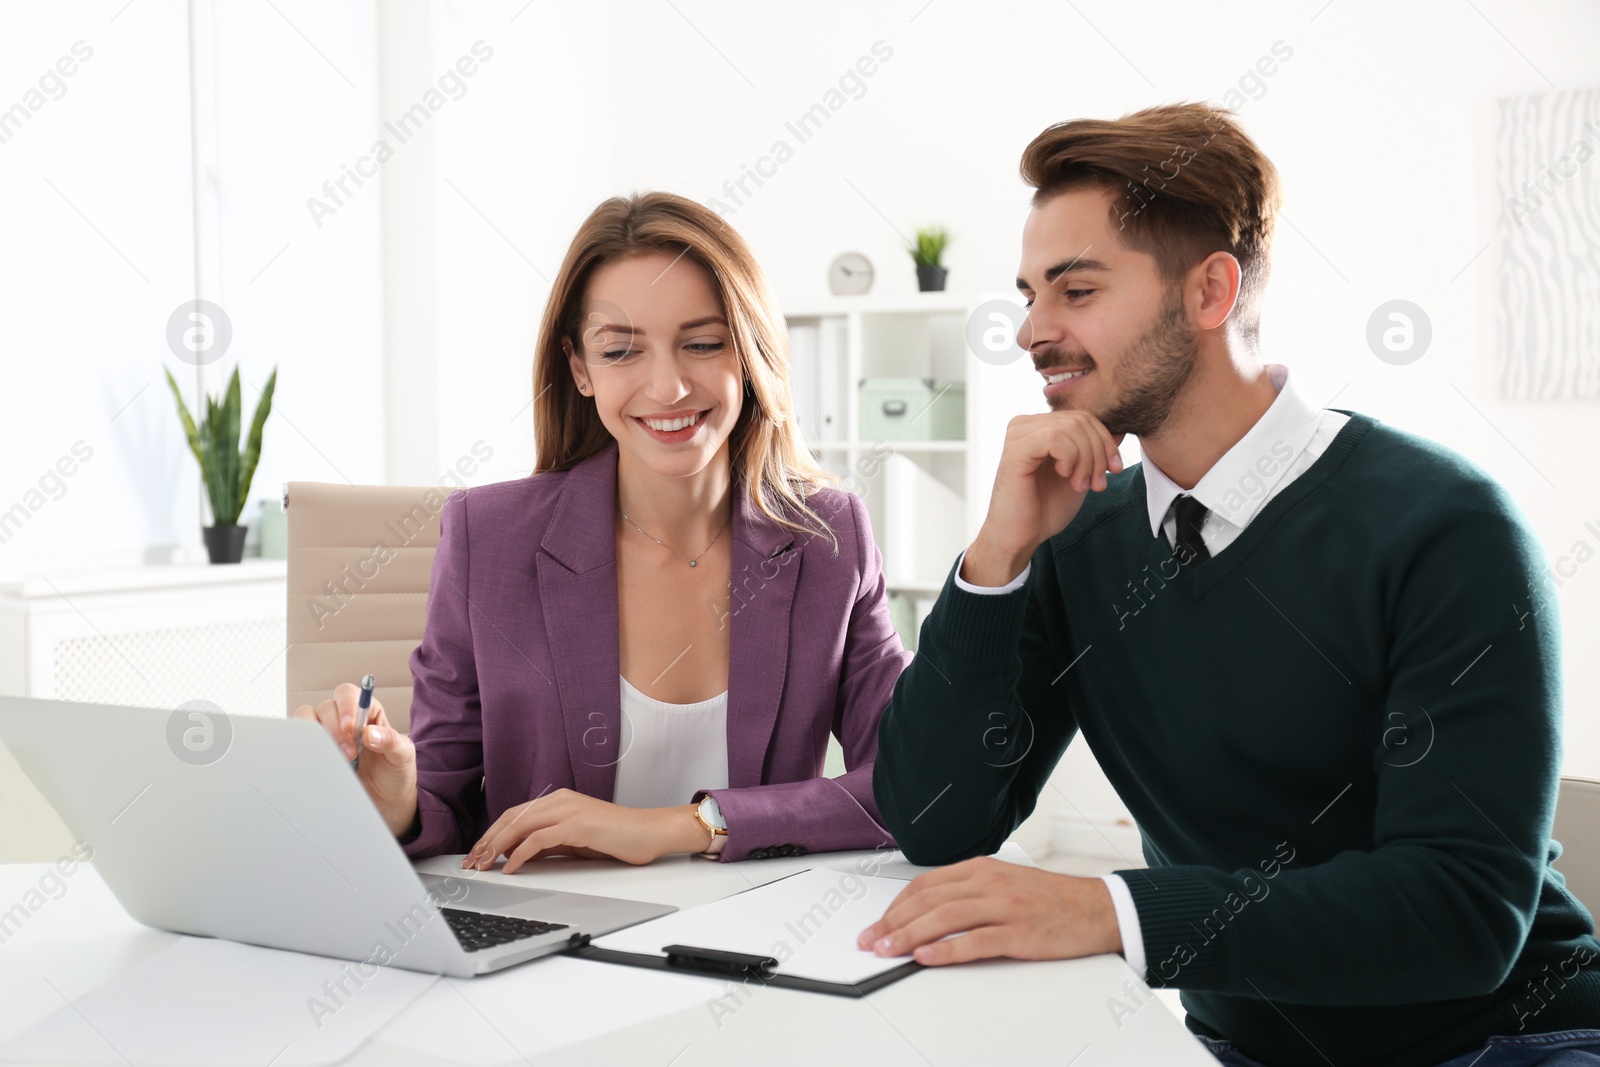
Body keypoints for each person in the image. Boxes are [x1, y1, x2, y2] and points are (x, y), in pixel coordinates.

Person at [860, 102, 1600, 1066]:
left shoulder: (1447, 525)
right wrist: (996, 562)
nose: (1031, 331)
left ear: (1212, 290)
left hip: (1512, 1042)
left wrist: (1109, 906)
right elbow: (932, 819)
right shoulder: (1077, 535)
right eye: (1030, 294)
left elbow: (1460, 909)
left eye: (1076, 290)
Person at [294, 191, 909, 869]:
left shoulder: (828, 538)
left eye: (703, 343)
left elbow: (907, 783)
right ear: (580, 368)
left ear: (751, 351)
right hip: (553, 942)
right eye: (621, 351)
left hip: (750, 940)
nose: (669, 386)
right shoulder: (486, 537)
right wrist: (400, 799)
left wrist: (683, 825)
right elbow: (447, 802)